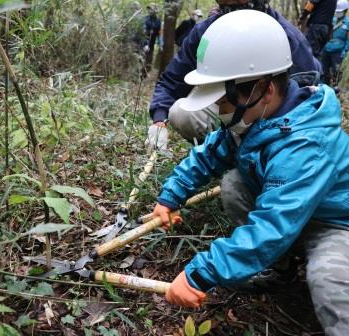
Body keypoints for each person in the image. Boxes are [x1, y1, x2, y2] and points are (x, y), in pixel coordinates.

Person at [153, 10, 349, 335]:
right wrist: (170, 196)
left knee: (328, 279)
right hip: (292, 214)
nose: (219, 110)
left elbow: (272, 226)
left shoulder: (305, 144)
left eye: (225, 100)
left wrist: (201, 273)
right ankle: (282, 269)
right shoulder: (253, 119)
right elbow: (208, 155)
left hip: (335, 224)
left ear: (265, 89)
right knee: (234, 184)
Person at [146, 0, 322, 152]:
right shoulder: (205, 32)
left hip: (271, 116)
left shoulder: (284, 35)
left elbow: (307, 92)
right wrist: (159, 120)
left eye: (240, 4)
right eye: (226, 4)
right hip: (225, 108)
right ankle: (218, 151)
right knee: (182, 113)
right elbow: (172, 80)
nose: (232, 7)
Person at [321, 0, 349, 85]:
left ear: (345, 11)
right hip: (327, 49)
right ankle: (325, 86)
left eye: (339, 12)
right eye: (337, 11)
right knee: (324, 71)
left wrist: (345, 50)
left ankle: (336, 87)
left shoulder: (347, 22)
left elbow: (348, 39)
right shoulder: (332, 19)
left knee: (336, 71)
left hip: (338, 51)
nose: (338, 13)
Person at [143, 3, 162, 76]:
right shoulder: (145, 19)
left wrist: (160, 44)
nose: (150, 10)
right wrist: (145, 44)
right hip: (143, 44)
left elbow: (159, 34)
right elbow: (142, 32)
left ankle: (144, 77)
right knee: (141, 60)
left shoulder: (158, 21)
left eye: (151, 9)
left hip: (151, 45)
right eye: (149, 9)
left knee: (148, 62)